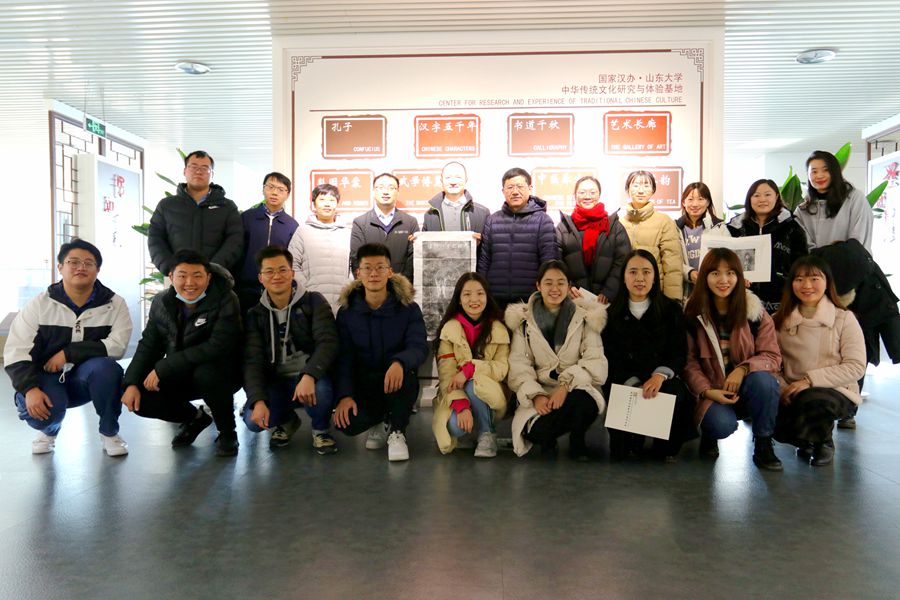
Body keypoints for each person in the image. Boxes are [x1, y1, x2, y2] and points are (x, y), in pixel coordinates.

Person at [4, 239, 133, 456]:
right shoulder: (40, 304)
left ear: (97, 270)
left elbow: (117, 346)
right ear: (60, 267)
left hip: (86, 378)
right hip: (45, 377)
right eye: (73, 262)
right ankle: (49, 430)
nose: (81, 267)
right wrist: (29, 389)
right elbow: (16, 350)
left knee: (108, 369)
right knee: (46, 414)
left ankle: (109, 432)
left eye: (88, 263)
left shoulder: (114, 303)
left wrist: (68, 354)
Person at [121, 249, 243, 457]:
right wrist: (131, 382)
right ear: (171, 277)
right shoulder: (161, 302)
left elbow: (218, 346)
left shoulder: (225, 299)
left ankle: (227, 431)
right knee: (141, 396)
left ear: (208, 277)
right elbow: (149, 345)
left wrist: (164, 367)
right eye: (182, 275)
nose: (190, 283)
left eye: (197, 276)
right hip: (181, 371)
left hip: (221, 373)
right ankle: (195, 419)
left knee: (207, 373)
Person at [683, 248, 784, 471]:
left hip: (747, 389)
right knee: (720, 425)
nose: (723, 280)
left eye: (730, 273)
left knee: (765, 382)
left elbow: (772, 356)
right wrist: (707, 391)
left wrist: (743, 369)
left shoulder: (755, 313)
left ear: (739, 276)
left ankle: (763, 443)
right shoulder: (692, 314)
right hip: (713, 391)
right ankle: (710, 434)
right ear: (704, 277)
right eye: (715, 273)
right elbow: (689, 363)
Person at [332, 243, 427, 461]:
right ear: (358, 273)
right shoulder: (347, 313)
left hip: (398, 380)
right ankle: (380, 420)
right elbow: (344, 359)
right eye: (367, 268)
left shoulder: (408, 308)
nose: (374, 274)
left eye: (380, 267)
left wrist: (400, 362)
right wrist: (345, 395)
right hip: (365, 384)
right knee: (347, 423)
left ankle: (397, 431)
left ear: (390, 271)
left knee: (404, 375)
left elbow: (419, 346)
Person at [242, 246, 340, 453]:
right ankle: (287, 421)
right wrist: (257, 400)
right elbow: (252, 361)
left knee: (321, 393)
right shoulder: (255, 315)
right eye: (269, 271)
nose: (276, 276)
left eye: (282, 270)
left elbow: (328, 342)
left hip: (311, 376)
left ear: (292, 273)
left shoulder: (313, 301)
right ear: (261, 278)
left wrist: (309, 375)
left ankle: (320, 429)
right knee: (252, 421)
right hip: (276, 380)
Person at [601, 250, 697, 461]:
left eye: (646, 272)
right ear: (623, 277)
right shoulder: (610, 314)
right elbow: (610, 358)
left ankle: (664, 444)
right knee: (623, 452)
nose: (640, 278)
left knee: (677, 395)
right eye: (633, 272)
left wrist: (659, 376)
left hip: (660, 381)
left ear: (655, 277)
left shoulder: (671, 310)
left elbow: (678, 352)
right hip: (625, 383)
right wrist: (633, 383)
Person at [505, 260, 607, 459]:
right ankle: (548, 440)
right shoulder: (524, 321)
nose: (555, 288)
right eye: (548, 283)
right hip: (541, 389)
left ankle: (577, 439)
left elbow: (595, 362)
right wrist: (536, 395)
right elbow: (519, 366)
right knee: (537, 432)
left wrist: (565, 386)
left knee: (584, 403)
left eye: (561, 283)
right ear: (538, 285)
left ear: (569, 287)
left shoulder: (585, 317)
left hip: (575, 387)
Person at [771, 256, 866, 466]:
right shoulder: (778, 320)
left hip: (836, 390)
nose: (807, 285)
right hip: (791, 389)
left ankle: (823, 442)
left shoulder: (844, 318)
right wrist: (783, 387)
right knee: (775, 419)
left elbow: (856, 366)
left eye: (814, 278)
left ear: (827, 282)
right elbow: (770, 361)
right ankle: (805, 439)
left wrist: (809, 381)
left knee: (813, 399)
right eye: (799, 279)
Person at [432, 272, 509, 457]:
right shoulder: (449, 329)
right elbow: (446, 375)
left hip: (489, 392)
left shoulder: (499, 329)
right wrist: (461, 405)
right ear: (459, 299)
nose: (474, 299)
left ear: (487, 297)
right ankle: (471, 429)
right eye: (467, 294)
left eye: (480, 293)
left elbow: (502, 369)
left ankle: (487, 433)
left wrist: (470, 369)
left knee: (474, 384)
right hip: (454, 392)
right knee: (454, 427)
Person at [147, 150, 244, 277]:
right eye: (193, 167)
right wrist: (171, 269)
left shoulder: (227, 206)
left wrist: (212, 270)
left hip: (214, 277)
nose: (198, 171)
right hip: (177, 278)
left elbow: (235, 240)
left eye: (205, 168)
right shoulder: (166, 205)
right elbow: (155, 239)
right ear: (184, 171)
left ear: (212, 174)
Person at [478, 167, 559, 307]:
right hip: (495, 300)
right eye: (510, 187)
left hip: (531, 301)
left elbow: (549, 262)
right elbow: (484, 261)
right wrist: (481, 291)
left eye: (520, 186)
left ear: (530, 189)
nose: (515, 192)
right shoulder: (492, 220)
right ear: (503, 191)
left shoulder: (543, 220)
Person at [726, 179, 808, 314]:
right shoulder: (735, 228)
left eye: (767, 195)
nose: (762, 199)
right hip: (743, 299)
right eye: (756, 195)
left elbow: (802, 264)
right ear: (749, 199)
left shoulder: (792, 226)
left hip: (781, 300)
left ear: (776, 197)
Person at [556, 175, 632, 304]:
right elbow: (556, 261)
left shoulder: (614, 226)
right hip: (573, 300)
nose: (587, 196)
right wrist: (567, 286)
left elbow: (623, 261)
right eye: (582, 192)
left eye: (592, 192)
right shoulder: (564, 227)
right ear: (575, 195)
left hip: (607, 302)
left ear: (599, 195)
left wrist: (609, 291)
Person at [236, 172, 299, 314]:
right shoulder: (247, 217)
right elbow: (238, 250)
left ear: (287, 195)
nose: (275, 192)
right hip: (246, 286)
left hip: (277, 287)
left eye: (281, 189)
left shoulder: (292, 225)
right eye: (271, 187)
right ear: (263, 189)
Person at [617, 170, 683, 301]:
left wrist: (672, 300)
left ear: (653, 190)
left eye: (646, 185)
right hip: (624, 293)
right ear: (627, 189)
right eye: (636, 185)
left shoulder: (664, 221)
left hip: (655, 292)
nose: (641, 190)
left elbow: (673, 264)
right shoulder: (619, 222)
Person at [287, 183, 352, 311]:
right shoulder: (302, 231)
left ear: (337, 204)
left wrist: (348, 288)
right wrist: (307, 290)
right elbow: (292, 264)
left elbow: (353, 265)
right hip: (312, 302)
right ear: (314, 204)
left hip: (343, 302)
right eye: (322, 199)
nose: (327, 204)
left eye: (331, 200)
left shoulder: (347, 232)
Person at [797, 149, 874, 253]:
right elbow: (805, 248)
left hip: (852, 261)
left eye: (825, 170)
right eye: (814, 172)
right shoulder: (802, 210)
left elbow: (859, 240)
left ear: (835, 172)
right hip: (815, 263)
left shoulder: (855, 199)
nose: (819, 176)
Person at [349, 173, 419, 281]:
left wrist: (401, 286)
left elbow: (413, 259)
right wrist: (370, 285)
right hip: (370, 287)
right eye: (380, 187)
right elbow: (356, 259)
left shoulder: (410, 222)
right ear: (373, 191)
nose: (385, 192)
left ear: (398, 191)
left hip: (402, 288)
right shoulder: (360, 223)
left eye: (391, 188)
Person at [675, 182, 726, 301]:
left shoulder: (719, 227)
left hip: (713, 290)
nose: (695, 204)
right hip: (686, 291)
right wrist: (689, 273)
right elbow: (672, 259)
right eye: (690, 199)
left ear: (708, 202)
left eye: (700, 199)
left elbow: (728, 257)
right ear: (683, 202)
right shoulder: (675, 228)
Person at [422, 161, 490, 238]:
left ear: (466, 180)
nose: (453, 182)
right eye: (448, 177)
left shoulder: (482, 212)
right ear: (441, 180)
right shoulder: (430, 215)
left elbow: (489, 243)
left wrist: (480, 242)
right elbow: (425, 244)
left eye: (458, 177)